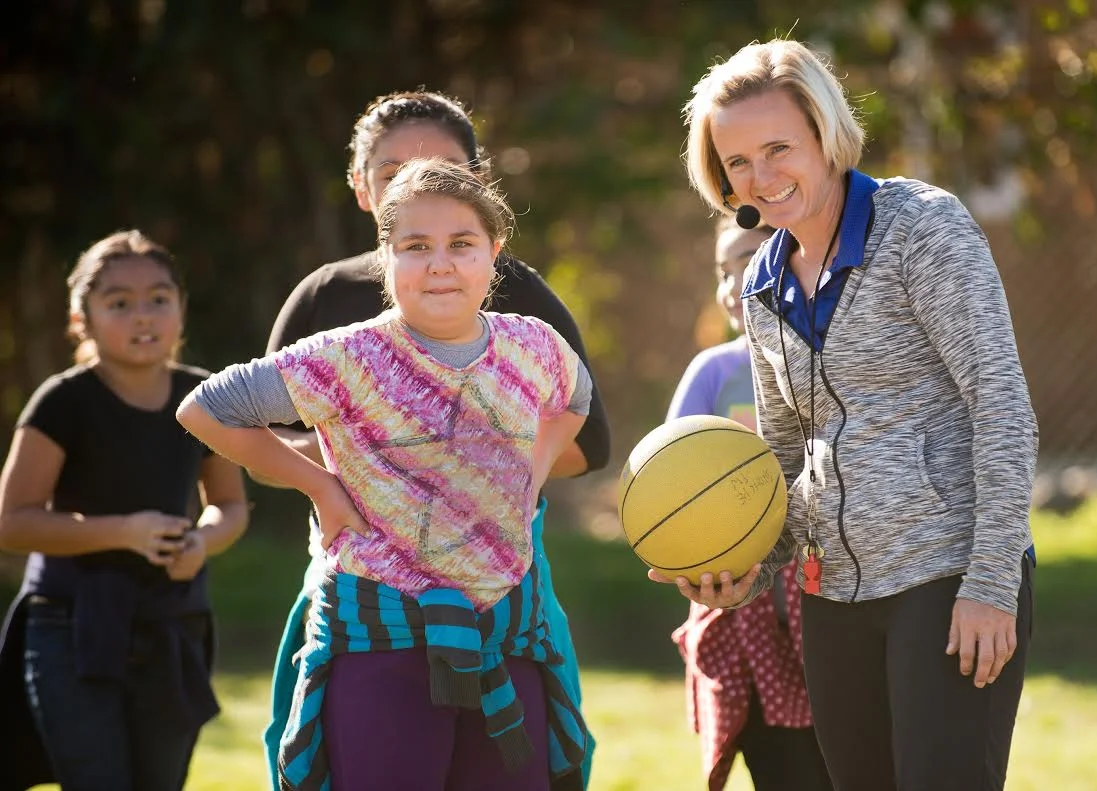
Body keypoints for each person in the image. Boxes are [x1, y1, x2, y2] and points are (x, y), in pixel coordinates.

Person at [656, 38, 1038, 791]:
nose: (762, 178)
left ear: (825, 134)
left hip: (948, 577)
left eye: (778, 148)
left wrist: (991, 585)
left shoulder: (922, 228)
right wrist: (749, 567)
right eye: (738, 163)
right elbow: (786, 457)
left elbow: (1001, 406)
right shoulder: (763, 282)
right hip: (831, 597)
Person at [178, 157, 591, 790]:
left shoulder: (534, 343)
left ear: (494, 251)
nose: (439, 263)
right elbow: (204, 408)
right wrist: (318, 483)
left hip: (505, 637)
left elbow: (578, 398)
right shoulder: (346, 356)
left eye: (461, 244)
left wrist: (533, 470)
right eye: (415, 247)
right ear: (385, 255)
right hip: (382, 638)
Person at [0, 230, 249, 791]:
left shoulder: (206, 398)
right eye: (119, 303)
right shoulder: (63, 402)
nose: (144, 316)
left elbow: (230, 507)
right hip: (71, 628)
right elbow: (12, 522)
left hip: (172, 625)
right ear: (81, 318)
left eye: (159, 298)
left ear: (181, 307)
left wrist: (201, 544)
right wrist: (125, 534)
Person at [667, 216, 831, 791]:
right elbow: (672, 483)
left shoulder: (836, 361)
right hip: (749, 611)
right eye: (724, 269)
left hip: (832, 601)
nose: (734, 283)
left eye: (751, 261)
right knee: (784, 767)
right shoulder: (716, 372)